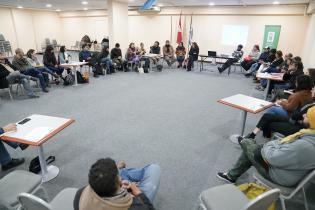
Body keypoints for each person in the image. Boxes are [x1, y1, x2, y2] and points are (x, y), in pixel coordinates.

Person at [217, 106, 315, 187]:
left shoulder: (304, 145)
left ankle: (243, 143)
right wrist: (270, 146)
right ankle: (231, 175)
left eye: (308, 116)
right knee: (252, 147)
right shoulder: (309, 137)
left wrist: (268, 145)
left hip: (278, 175)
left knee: (248, 144)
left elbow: (272, 158)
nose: (304, 115)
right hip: (287, 169)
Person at [73, 158, 160, 210]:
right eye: (119, 178)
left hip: (114, 190)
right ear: (119, 183)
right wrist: (137, 193)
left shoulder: (80, 195)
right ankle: (121, 170)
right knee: (154, 168)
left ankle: (120, 170)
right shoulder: (136, 206)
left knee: (119, 172)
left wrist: (120, 190)